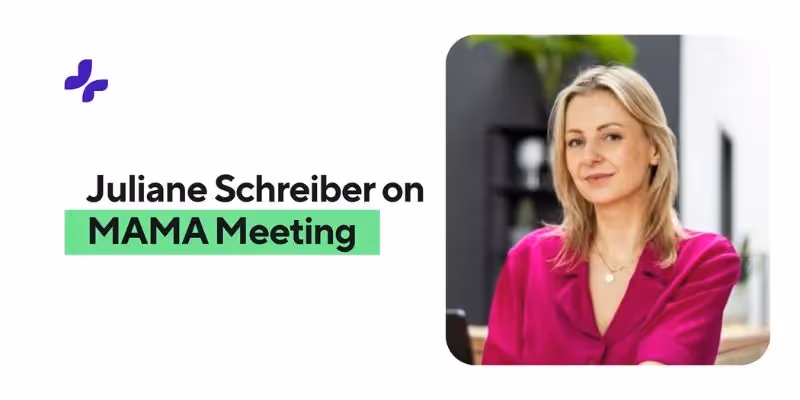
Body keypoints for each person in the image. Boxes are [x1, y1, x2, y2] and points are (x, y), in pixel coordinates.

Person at [480, 64, 741, 365]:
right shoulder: (528, 260)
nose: (590, 157)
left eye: (611, 136)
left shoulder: (705, 261)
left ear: (654, 149)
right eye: (576, 141)